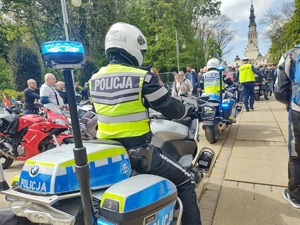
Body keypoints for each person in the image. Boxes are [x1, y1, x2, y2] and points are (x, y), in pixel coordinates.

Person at [89, 22, 201, 225]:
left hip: (107, 156)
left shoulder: (93, 79)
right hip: (138, 153)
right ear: (132, 46)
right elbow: (171, 109)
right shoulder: (142, 78)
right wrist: (189, 109)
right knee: (186, 180)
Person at [274, 44, 300, 209]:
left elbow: (280, 92)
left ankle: (296, 196)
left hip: (299, 111)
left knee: (296, 154)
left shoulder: (291, 55)